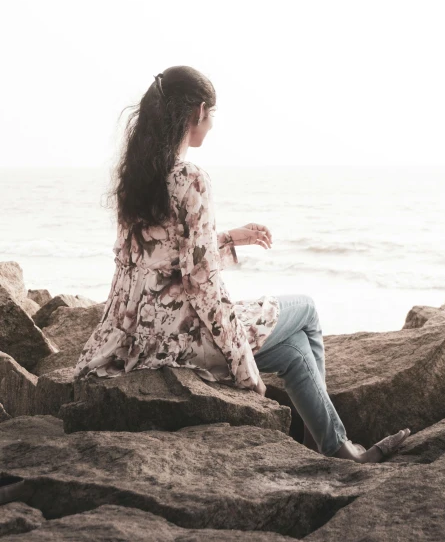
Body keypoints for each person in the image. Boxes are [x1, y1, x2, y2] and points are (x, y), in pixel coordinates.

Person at [74, 65, 410, 462]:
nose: (212, 125)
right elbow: (201, 283)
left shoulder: (137, 177)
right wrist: (238, 358)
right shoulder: (191, 178)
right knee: (306, 310)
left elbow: (155, 260)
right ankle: (333, 449)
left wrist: (231, 237)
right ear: (198, 112)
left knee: (294, 351)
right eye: (211, 115)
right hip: (180, 340)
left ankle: (329, 449)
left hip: (135, 337)